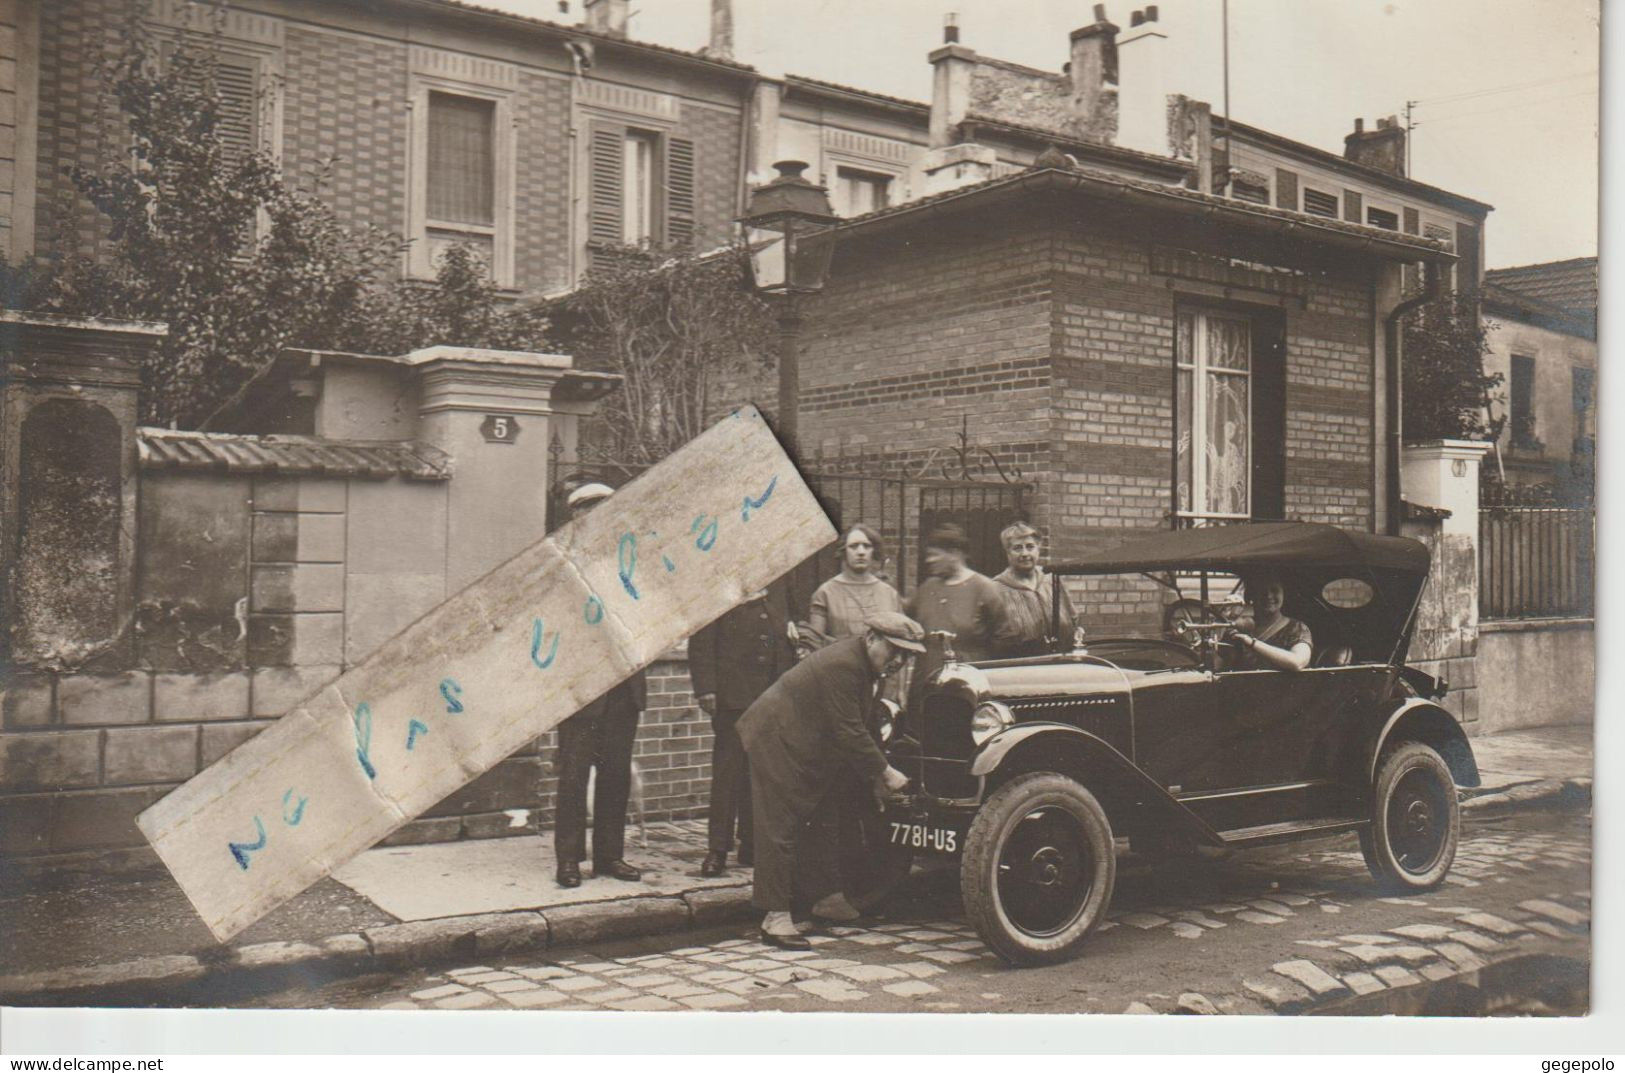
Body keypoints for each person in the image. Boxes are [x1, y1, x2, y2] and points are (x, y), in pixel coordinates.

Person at [738, 612, 922, 949]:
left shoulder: (866, 667)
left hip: (805, 744)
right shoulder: (845, 665)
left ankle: (827, 898)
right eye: (895, 650)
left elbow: (863, 725)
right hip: (776, 739)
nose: (900, 660)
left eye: (907, 655)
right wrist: (886, 773)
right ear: (871, 638)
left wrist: (875, 776)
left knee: (823, 817)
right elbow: (848, 730)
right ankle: (775, 917)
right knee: (779, 826)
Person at [551, 482, 646, 888]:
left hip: (624, 688)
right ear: (575, 518)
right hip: (582, 692)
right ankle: (569, 860)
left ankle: (610, 856)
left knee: (615, 776)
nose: (595, 519)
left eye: (603, 510)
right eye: (587, 512)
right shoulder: (561, 566)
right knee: (573, 777)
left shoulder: (631, 563)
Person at [688, 577, 798, 878]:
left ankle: (751, 844)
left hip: (771, 695)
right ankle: (717, 850)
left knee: (761, 772)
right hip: (732, 695)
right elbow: (701, 639)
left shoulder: (779, 583)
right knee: (728, 773)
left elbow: (790, 630)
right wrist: (706, 688)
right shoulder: (720, 580)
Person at [905, 523, 1006, 662]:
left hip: (967, 677)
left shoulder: (985, 589)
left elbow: (1003, 639)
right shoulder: (926, 588)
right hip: (927, 676)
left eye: (934, 555)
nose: (929, 560)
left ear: (954, 554)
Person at [991, 521, 1076, 656]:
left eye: (1030, 547)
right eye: (1017, 548)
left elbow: (1073, 620)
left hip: (1061, 662)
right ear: (1008, 552)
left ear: (1038, 549)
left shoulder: (1052, 581)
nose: (1025, 553)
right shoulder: (996, 589)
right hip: (1021, 667)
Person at [807, 525, 903, 644]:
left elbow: (899, 639)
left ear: (874, 551)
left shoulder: (889, 594)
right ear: (844, 551)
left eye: (867, 546)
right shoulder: (825, 593)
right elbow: (815, 644)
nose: (861, 552)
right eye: (853, 546)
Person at [1227, 572, 1313, 671]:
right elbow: (1222, 662)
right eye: (1261, 591)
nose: (1268, 596)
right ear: (1250, 595)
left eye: (1274, 590)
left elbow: (1298, 662)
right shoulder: (1239, 627)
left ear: (1283, 594)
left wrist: (1251, 642)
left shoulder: (1297, 628)